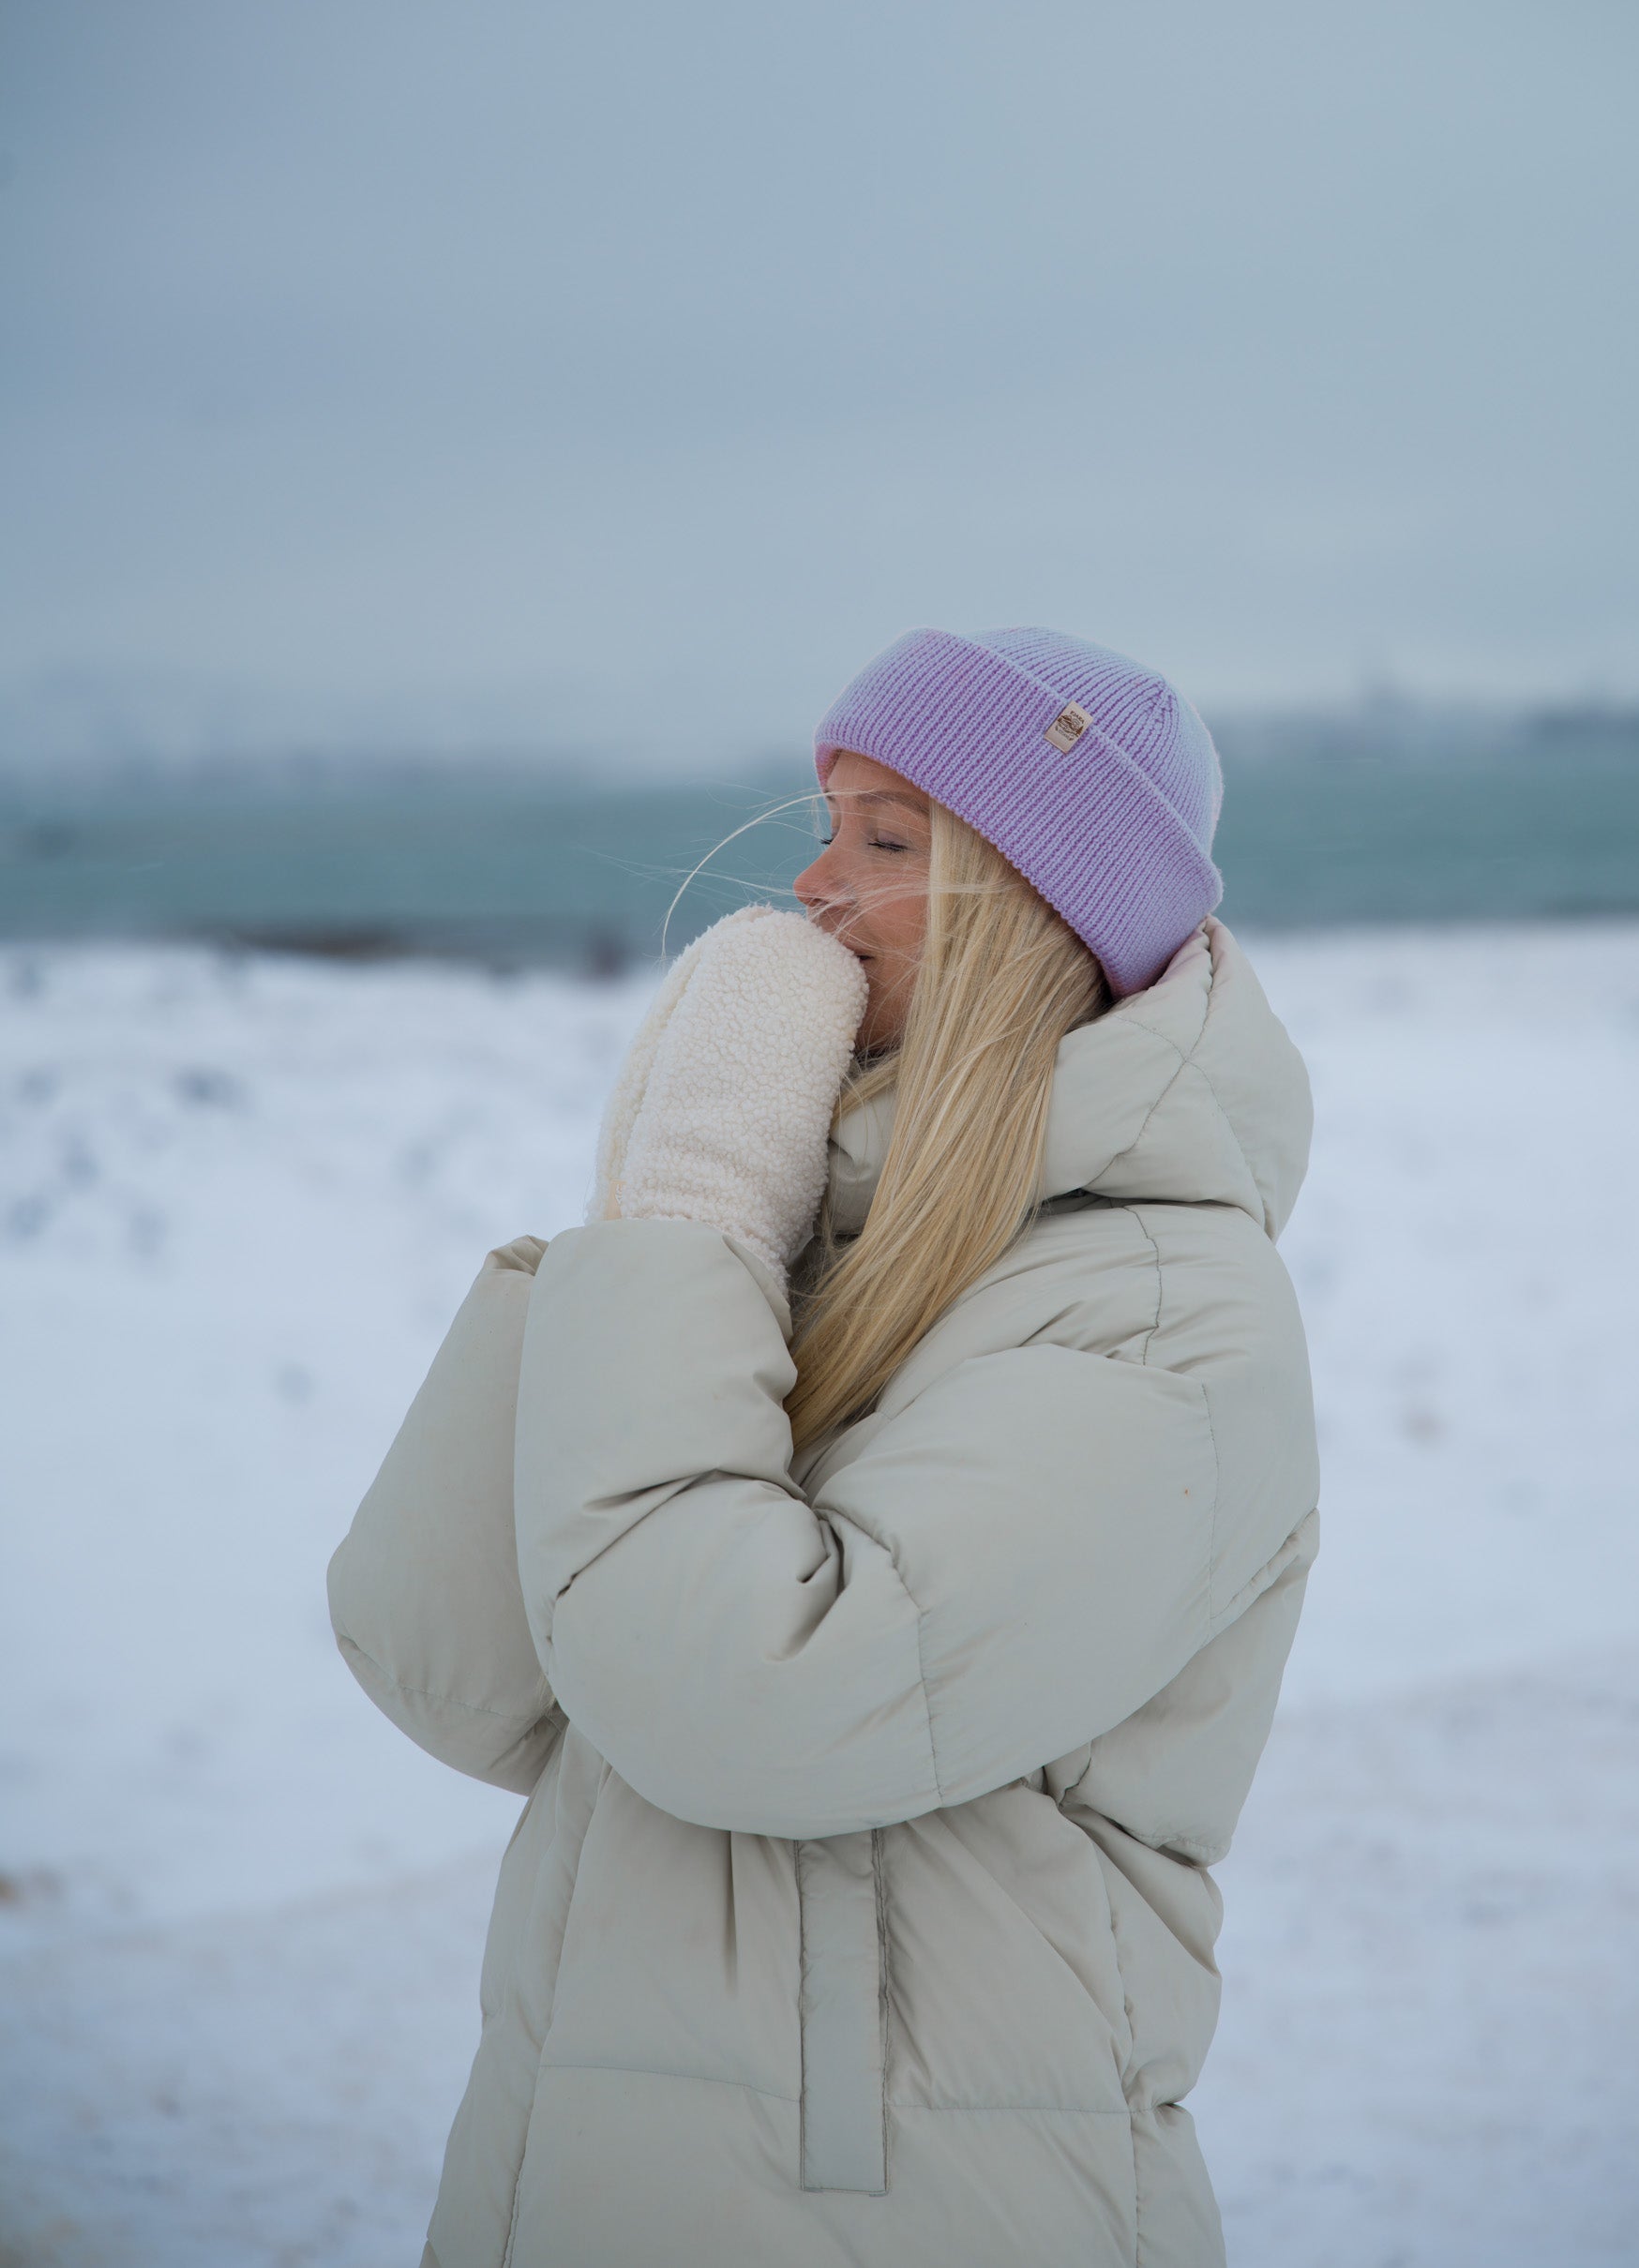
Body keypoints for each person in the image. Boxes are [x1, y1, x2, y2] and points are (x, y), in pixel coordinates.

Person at [328, 624, 1319, 2268]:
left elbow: (742, 1703)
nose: (809, 887)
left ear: (1039, 914)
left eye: (885, 839)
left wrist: (695, 1218)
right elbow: (454, 1672)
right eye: (823, 822)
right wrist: (646, 1218)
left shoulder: (1155, 1317)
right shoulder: (813, 1242)